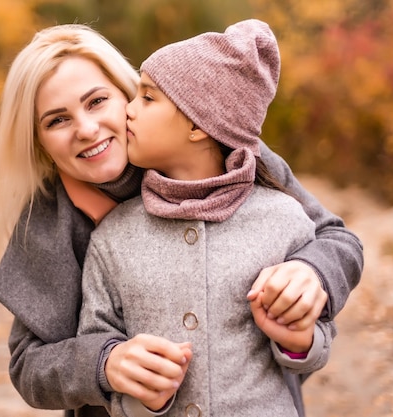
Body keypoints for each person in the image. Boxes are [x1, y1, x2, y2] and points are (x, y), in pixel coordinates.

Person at [0, 24, 363, 417]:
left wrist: (311, 271)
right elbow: (29, 365)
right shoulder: (49, 217)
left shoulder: (227, 148)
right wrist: (105, 364)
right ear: (39, 141)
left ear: (125, 94)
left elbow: (334, 237)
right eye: (56, 120)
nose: (86, 129)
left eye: (97, 101)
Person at [76, 19, 335, 417]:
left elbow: (318, 339)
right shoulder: (112, 236)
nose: (126, 109)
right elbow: (98, 342)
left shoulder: (284, 220)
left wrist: (299, 340)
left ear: (199, 124)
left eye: (147, 98)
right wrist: (136, 394)